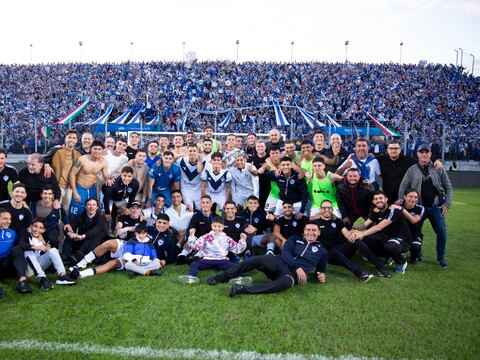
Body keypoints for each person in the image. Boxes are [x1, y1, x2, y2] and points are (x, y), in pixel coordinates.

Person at [208, 221, 328, 297]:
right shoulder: (294, 239)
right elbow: (285, 253)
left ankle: (241, 290)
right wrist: (297, 267)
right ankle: (221, 277)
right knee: (257, 259)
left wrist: (321, 275)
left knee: (285, 283)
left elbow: (321, 271)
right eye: (308, 230)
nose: (310, 232)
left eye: (314, 230)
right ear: (304, 231)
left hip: (289, 275)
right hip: (278, 262)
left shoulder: (322, 251)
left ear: (319, 232)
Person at [397, 144, 453, 268]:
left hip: (435, 207)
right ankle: (417, 254)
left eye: (426, 152)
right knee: (415, 232)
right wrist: (401, 200)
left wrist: (447, 204)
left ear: (430, 154)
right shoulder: (412, 169)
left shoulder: (438, 168)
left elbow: (448, 186)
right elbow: (403, 185)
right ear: (417, 154)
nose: (424, 154)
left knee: (442, 233)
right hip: (418, 208)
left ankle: (441, 258)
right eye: (421, 152)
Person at [315, 199, 390, 280]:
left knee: (355, 240)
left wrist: (354, 234)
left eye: (329, 208)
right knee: (334, 251)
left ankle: (380, 266)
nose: (327, 210)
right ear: (320, 209)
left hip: (341, 250)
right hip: (329, 255)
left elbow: (347, 235)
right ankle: (360, 273)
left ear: (332, 209)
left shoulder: (337, 222)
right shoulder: (315, 223)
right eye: (324, 208)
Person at [352, 191, 412, 275]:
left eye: (381, 198)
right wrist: (354, 229)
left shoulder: (393, 210)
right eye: (376, 199)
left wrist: (362, 234)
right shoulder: (376, 210)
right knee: (365, 241)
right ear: (373, 201)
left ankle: (401, 262)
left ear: (386, 199)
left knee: (391, 246)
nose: (378, 200)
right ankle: (388, 256)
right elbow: (365, 224)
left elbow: (378, 227)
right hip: (386, 237)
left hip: (402, 239)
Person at [178, 216, 247, 284]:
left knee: (235, 266)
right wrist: (192, 236)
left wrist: (242, 240)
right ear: (211, 226)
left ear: (223, 227)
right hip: (208, 260)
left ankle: (237, 278)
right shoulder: (205, 237)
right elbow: (196, 247)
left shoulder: (227, 239)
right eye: (215, 226)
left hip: (222, 260)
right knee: (194, 264)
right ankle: (191, 277)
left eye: (219, 226)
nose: (217, 228)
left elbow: (237, 250)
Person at [20, 218, 76, 290]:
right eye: (35, 226)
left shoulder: (43, 237)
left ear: (43, 230)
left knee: (53, 250)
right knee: (28, 251)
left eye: (40, 228)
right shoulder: (25, 233)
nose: (36, 229)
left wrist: (46, 247)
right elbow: (21, 244)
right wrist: (36, 247)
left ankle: (62, 275)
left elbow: (47, 248)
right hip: (28, 268)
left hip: (40, 265)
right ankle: (42, 278)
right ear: (30, 226)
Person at [68, 140, 110, 216]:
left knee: (91, 210)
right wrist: (74, 191)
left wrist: (109, 180)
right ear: (91, 149)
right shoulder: (82, 159)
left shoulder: (103, 162)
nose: (97, 151)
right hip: (80, 188)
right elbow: (72, 174)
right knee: (76, 211)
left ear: (102, 151)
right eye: (95, 148)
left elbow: (106, 176)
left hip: (92, 189)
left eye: (99, 149)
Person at [64, 198, 106, 263]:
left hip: (96, 242)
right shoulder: (80, 217)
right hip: (82, 240)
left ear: (97, 207)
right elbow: (69, 227)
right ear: (85, 207)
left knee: (96, 235)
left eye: (93, 205)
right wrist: (71, 234)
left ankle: (79, 257)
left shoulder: (101, 218)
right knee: (69, 237)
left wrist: (83, 236)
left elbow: (96, 230)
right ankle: (65, 257)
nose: (91, 207)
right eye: (89, 205)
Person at [0, 209, 32, 294]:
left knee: (17, 248)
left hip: (6, 265)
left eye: (9, 219)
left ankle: (23, 282)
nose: (8, 221)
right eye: (5, 218)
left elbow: (21, 246)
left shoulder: (12, 233)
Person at [30, 185, 72, 250]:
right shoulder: (34, 204)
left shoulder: (57, 206)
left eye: (50, 194)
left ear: (53, 196)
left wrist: (67, 223)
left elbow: (64, 216)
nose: (47, 196)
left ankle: (57, 250)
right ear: (41, 194)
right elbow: (30, 217)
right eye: (45, 193)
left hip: (51, 229)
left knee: (53, 238)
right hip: (36, 229)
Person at [51, 130, 81, 214]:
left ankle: (64, 227)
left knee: (66, 212)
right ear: (65, 139)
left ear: (76, 140)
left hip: (69, 188)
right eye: (69, 137)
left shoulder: (78, 154)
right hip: (57, 187)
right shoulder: (57, 152)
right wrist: (46, 165)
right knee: (54, 211)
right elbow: (44, 159)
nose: (71, 140)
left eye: (74, 138)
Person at [392, 189, 425, 264]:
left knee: (416, 247)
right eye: (410, 196)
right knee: (392, 245)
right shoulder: (398, 206)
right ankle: (396, 255)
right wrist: (395, 205)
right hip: (400, 234)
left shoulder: (420, 208)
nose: (413, 199)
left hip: (415, 234)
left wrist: (402, 209)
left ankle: (415, 256)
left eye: (415, 197)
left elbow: (413, 220)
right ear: (405, 197)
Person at [176, 144, 205, 210]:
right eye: (190, 151)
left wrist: (199, 160)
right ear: (187, 151)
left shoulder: (203, 162)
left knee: (200, 210)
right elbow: (171, 159)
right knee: (189, 210)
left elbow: (200, 170)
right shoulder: (181, 161)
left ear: (197, 152)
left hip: (198, 191)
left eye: (194, 151)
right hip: (186, 191)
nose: (192, 153)